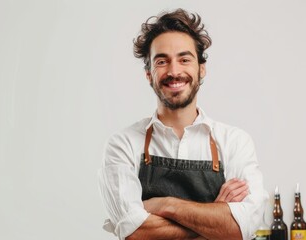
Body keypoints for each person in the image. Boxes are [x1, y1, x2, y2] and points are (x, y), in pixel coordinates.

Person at [97, 8, 268, 240]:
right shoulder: (123, 144)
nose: (174, 71)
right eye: (162, 61)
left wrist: (165, 205)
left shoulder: (235, 142)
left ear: (201, 69)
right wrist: (213, 216)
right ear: (148, 73)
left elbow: (239, 229)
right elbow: (136, 232)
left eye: (184, 59)